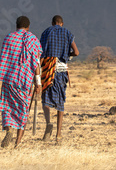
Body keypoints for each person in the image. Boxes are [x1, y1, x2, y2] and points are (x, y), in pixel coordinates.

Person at [0, 16, 42, 148]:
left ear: (16, 26)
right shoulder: (33, 40)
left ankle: (8, 130)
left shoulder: (9, 38)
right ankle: (17, 142)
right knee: (23, 110)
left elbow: (3, 59)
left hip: (9, 79)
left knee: (7, 107)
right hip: (25, 81)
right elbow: (36, 63)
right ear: (28, 27)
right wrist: (38, 83)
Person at [40, 15, 79, 143]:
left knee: (46, 97)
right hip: (62, 69)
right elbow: (77, 52)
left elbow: (41, 52)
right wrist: (68, 55)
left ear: (52, 23)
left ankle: (48, 123)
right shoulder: (68, 33)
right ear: (62, 23)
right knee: (60, 100)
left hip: (48, 69)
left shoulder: (46, 32)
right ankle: (58, 134)